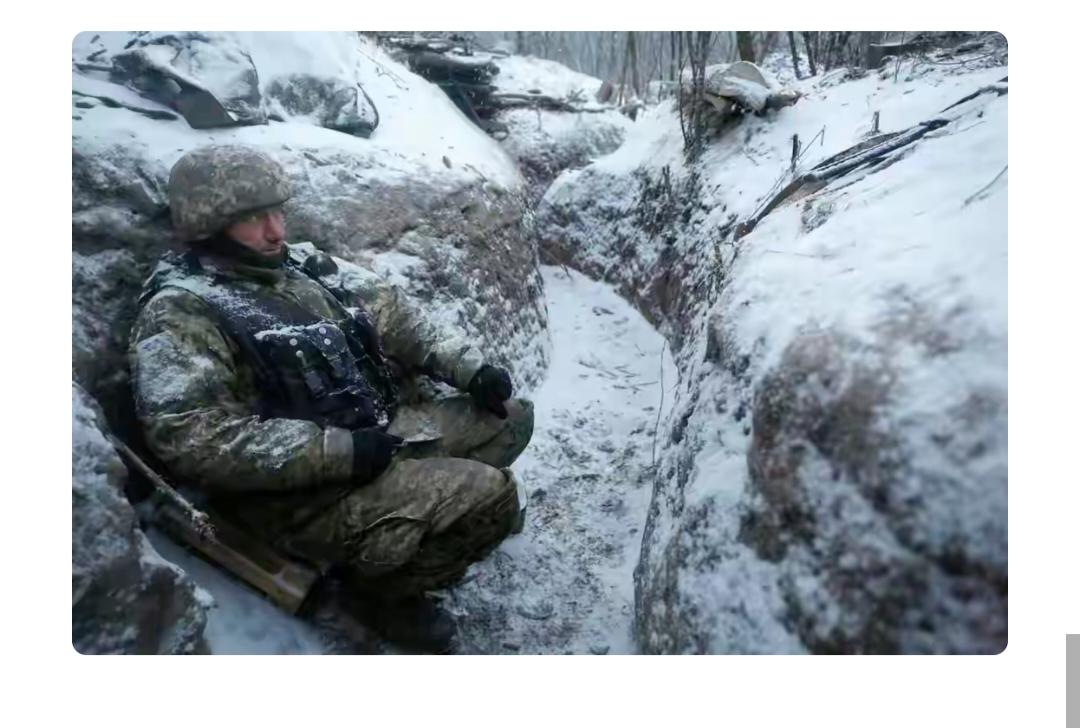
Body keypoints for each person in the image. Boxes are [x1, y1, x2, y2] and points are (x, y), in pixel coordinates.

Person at [128, 144, 534, 652]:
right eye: (252, 219)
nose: (275, 231)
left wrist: (469, 369)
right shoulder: (181, 311)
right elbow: (192, 438)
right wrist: (335, 452)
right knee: (493, 495)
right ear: (209, 226)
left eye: (276, 212)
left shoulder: (303, 266)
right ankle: (378, 594)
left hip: (372, 435)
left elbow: (398, 318)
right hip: (296, 495)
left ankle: (428, 525)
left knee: (513, 419)